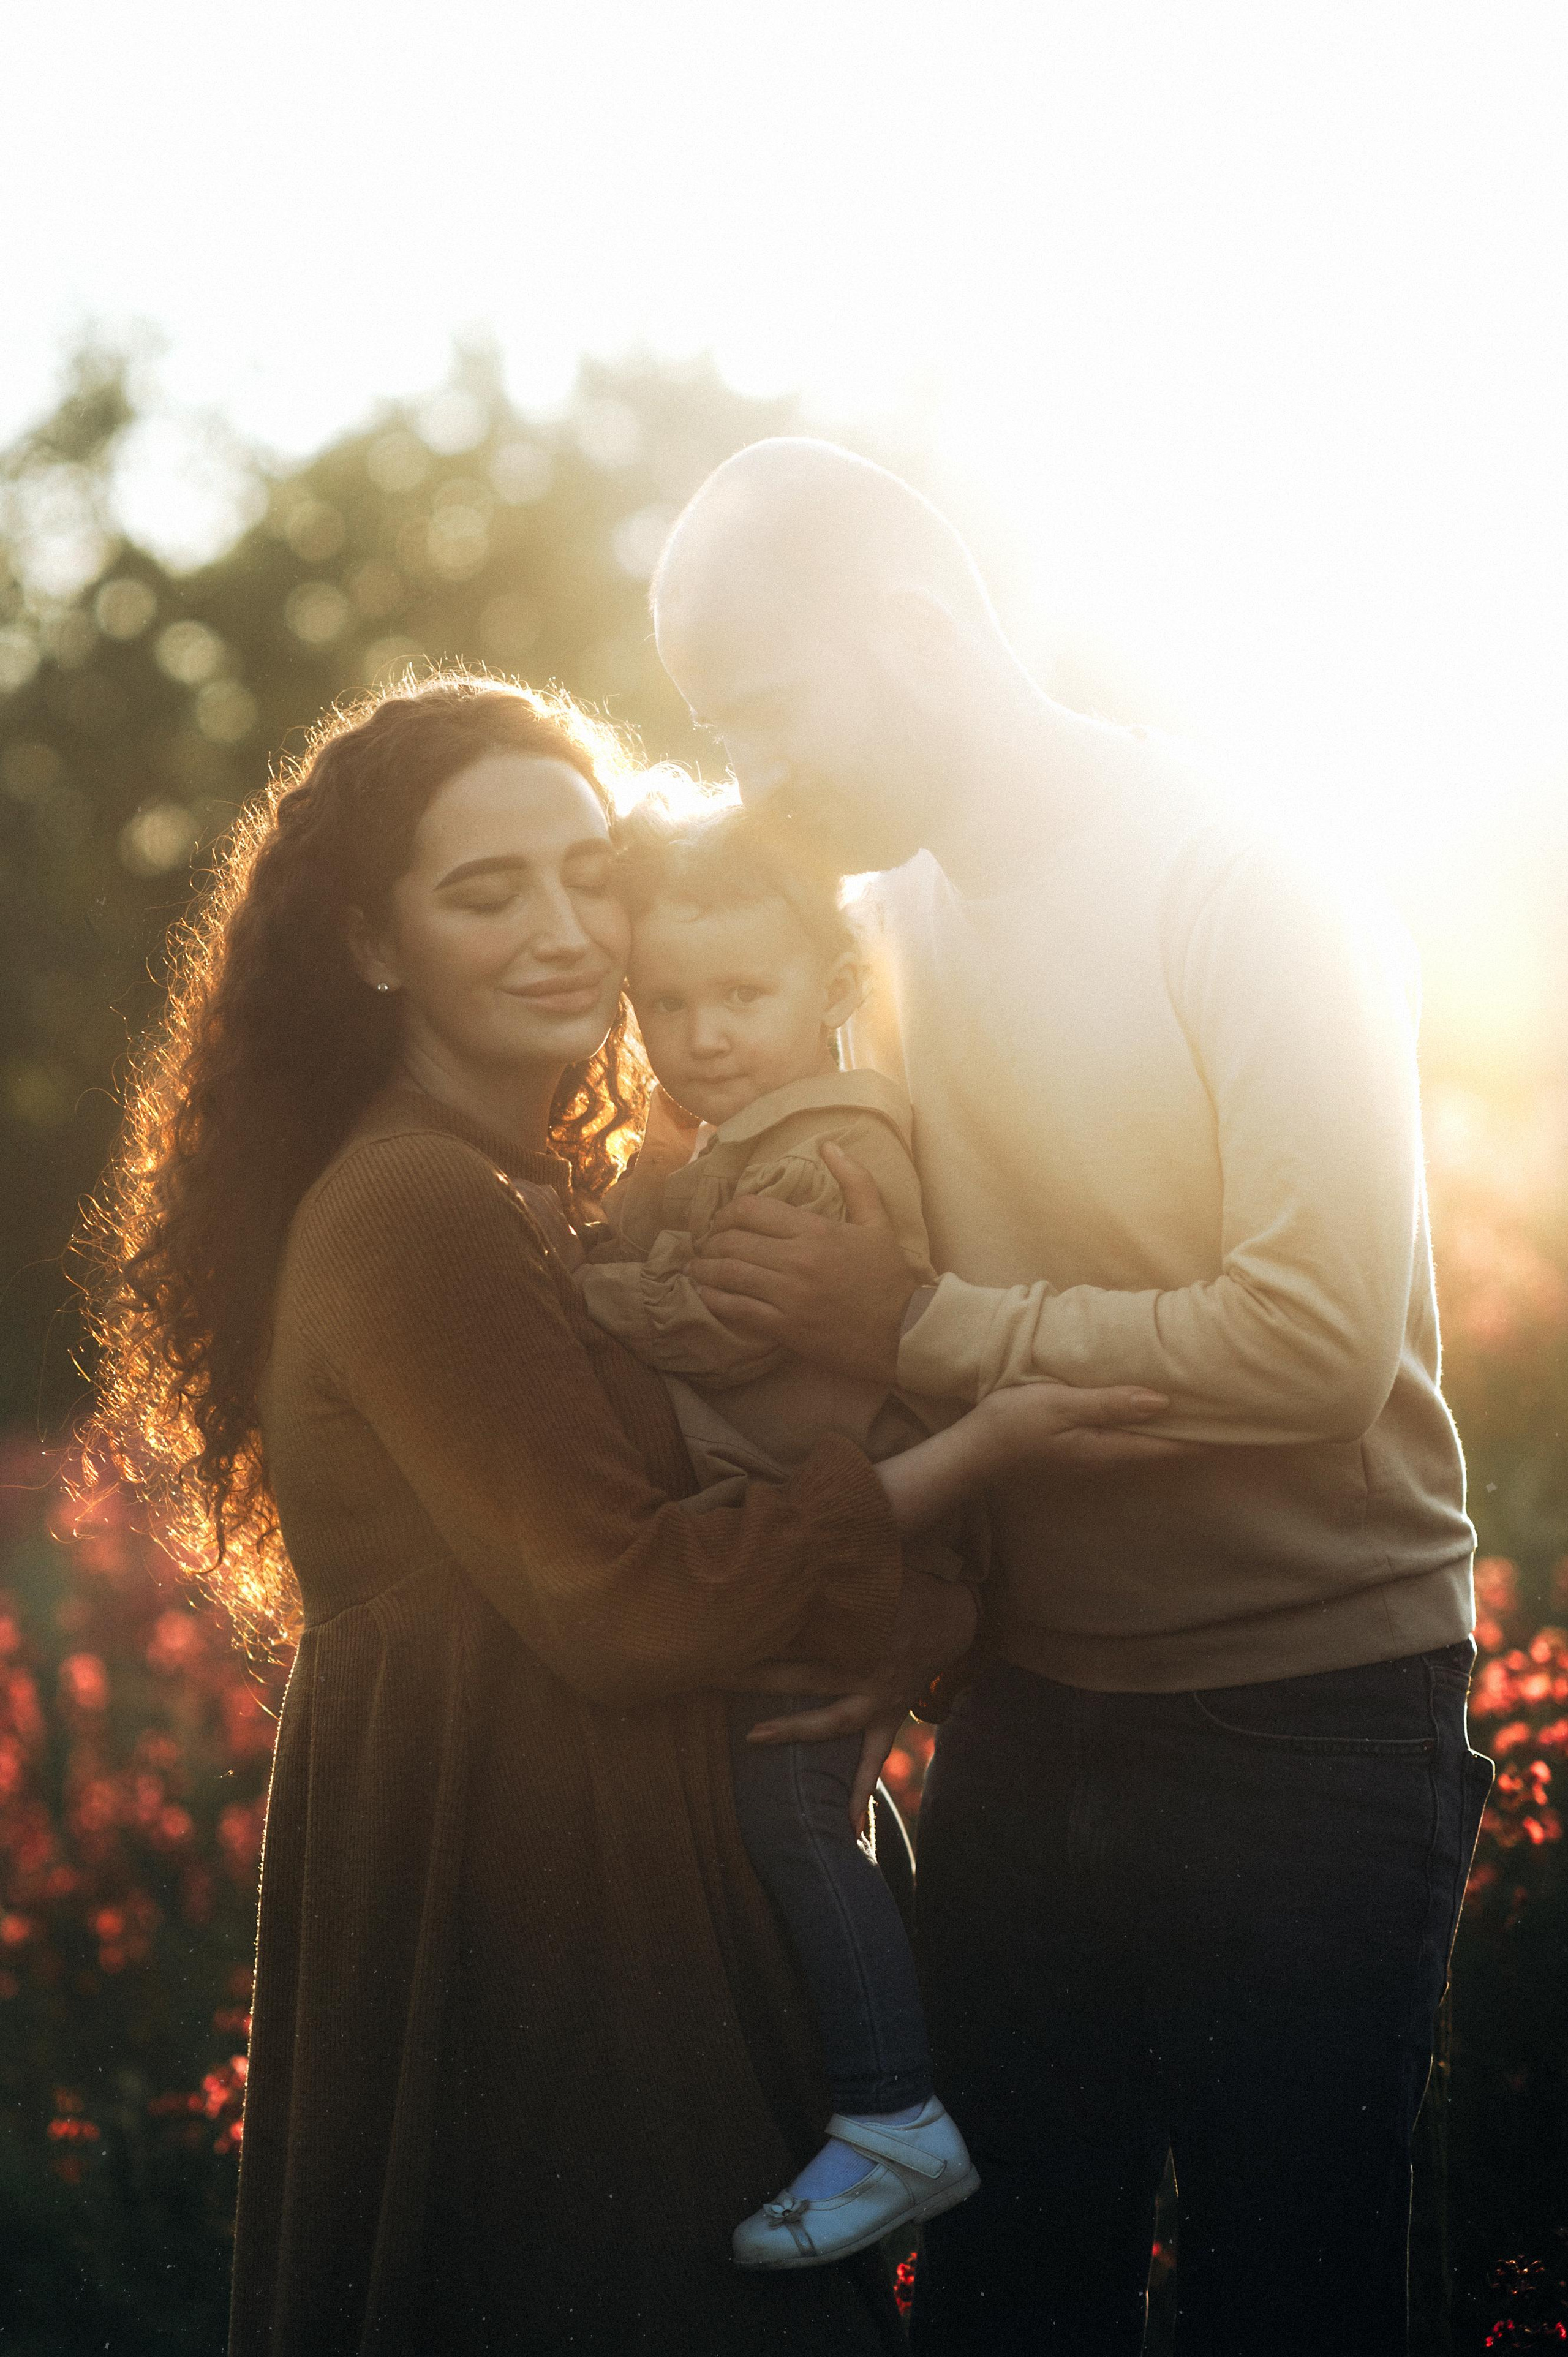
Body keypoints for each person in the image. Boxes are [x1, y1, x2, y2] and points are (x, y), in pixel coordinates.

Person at [79, 673, 1174, 2357]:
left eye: (589, 871)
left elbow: (747, 1520)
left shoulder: (558, 1189)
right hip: (521, 1899)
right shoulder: (418, 1205)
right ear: (376, 944)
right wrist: (978, 1451)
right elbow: (626, 1599)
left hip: (613, 1863)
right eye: (484, 890)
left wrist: (875, 1607)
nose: (563, 929)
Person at [649, 442, 1494, 2356]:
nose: (753, 776)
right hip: (1032, 1715)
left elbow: (1314, 1340)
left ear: (920, 635)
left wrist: (927, 1322)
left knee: (1298, 2290)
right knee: (1014, 2294)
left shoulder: (1250, 883)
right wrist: (915, 1608)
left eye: (767, 714)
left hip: (1316, 1726)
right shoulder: (881, 928)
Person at [579, 796, 984, 2268]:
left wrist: (578, 1288)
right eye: (665, 1003)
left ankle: (891, 2117)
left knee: (792, 1816)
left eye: (738, 996)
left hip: (845, 1546)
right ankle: (867, 2082)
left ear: (824, 991)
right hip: (815, 1540)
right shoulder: (742, 1128)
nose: (698, 1033)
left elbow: (727, 1323)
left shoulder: (822, 1142)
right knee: (811, 1807)